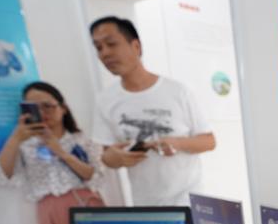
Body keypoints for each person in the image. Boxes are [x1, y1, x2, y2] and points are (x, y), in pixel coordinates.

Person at [89, 16, 216, 206]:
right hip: (145, 205)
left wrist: (177, 143)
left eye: (111, 44)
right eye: (98, 48)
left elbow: (209, 141)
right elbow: (107, 156)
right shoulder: (105, 100)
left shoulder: (178, 91)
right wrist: (115, 158)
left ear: (136, 46)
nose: (105, 53)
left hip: (188, 202)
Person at [0, 82, 105, 224]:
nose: (42, 112)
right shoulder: (25, 145)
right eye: (33, 108)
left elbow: (96, 177)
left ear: (63, 108)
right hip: (50, 209)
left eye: (47, 106)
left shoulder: (81, 140)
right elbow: (2, 177)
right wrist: (16, 137)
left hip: (85, 204)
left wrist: (60, 151)